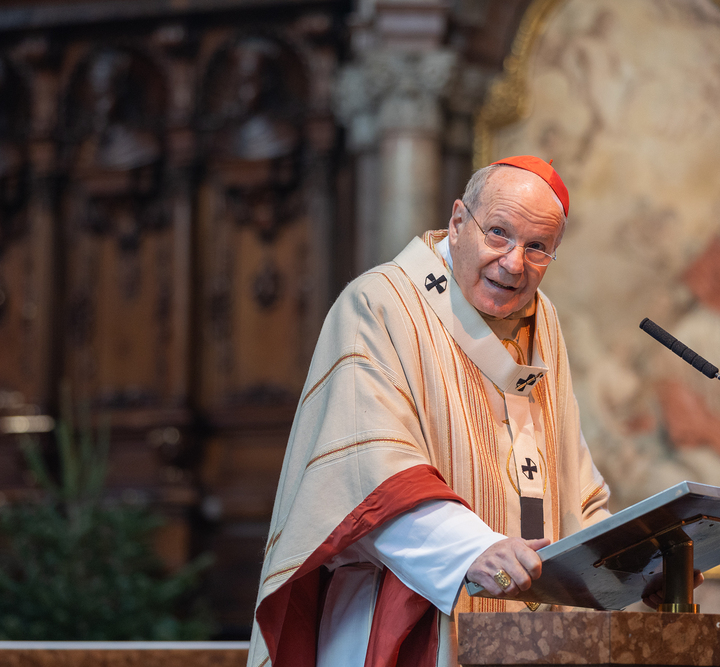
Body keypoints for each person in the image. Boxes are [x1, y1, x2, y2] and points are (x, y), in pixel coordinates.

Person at [247, 157, 611, 667]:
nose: (514, 263)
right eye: (499, 233)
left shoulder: (541, 319)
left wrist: (632, 562)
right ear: (458, 222)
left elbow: (569, 474)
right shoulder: (380, 304)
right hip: (399, 611)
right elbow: (370, 471)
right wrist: (471, 549)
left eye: (537, 248)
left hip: (530, 631)